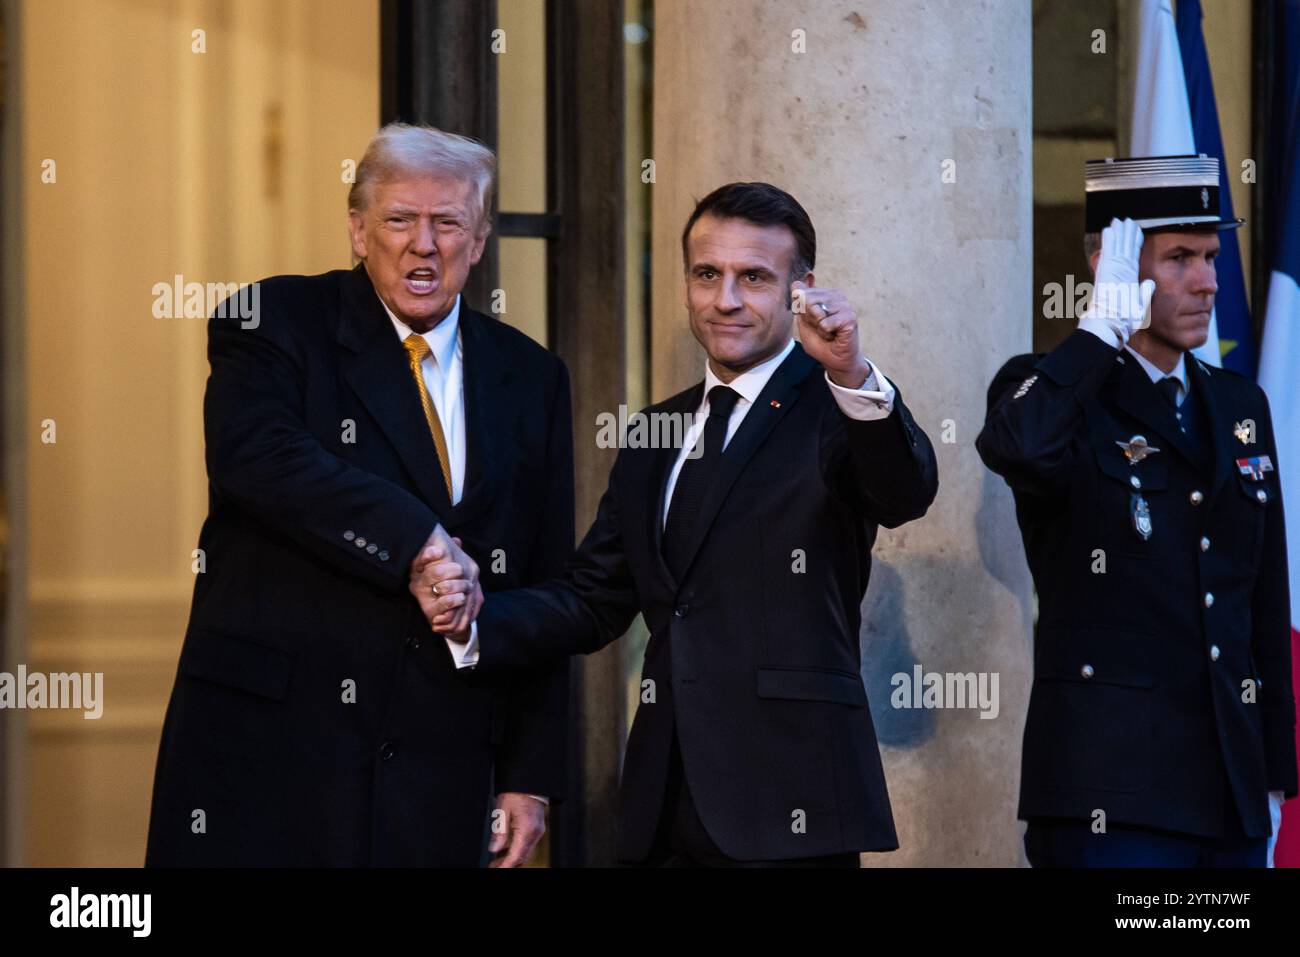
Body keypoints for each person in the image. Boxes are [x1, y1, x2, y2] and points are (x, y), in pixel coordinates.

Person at [415, 182, 938, 866]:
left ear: (799, 289)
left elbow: (902, 490)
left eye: (753, 277)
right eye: (707, 274)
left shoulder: (836, 406)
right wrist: (473, 617)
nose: (725, 299)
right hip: (663, 802)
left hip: (793, 802)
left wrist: (852, 369)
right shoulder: (655, 430)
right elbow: (594, 598)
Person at [146, 123, 570, 867]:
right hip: (270, 761)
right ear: (357, 230)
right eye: (400, 220)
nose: (423, 245)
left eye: (448, 223)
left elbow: (541, 578)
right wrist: (418, 542)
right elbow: (260, 458)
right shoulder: (273, 321)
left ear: (479, 241)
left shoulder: (532, 376)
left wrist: (530, 775)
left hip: (440, 770)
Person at [977, 154, 1297, 867]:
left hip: (1230, 791)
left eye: (1212, 256)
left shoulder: (1240, 403)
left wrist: (1273, 774)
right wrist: (1097, 335)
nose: (1208, 281)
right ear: (1109, 263)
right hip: (1110, 795)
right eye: (1179, 257)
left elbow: (1261, 599)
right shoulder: (1050, 389)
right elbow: (1018, 447)